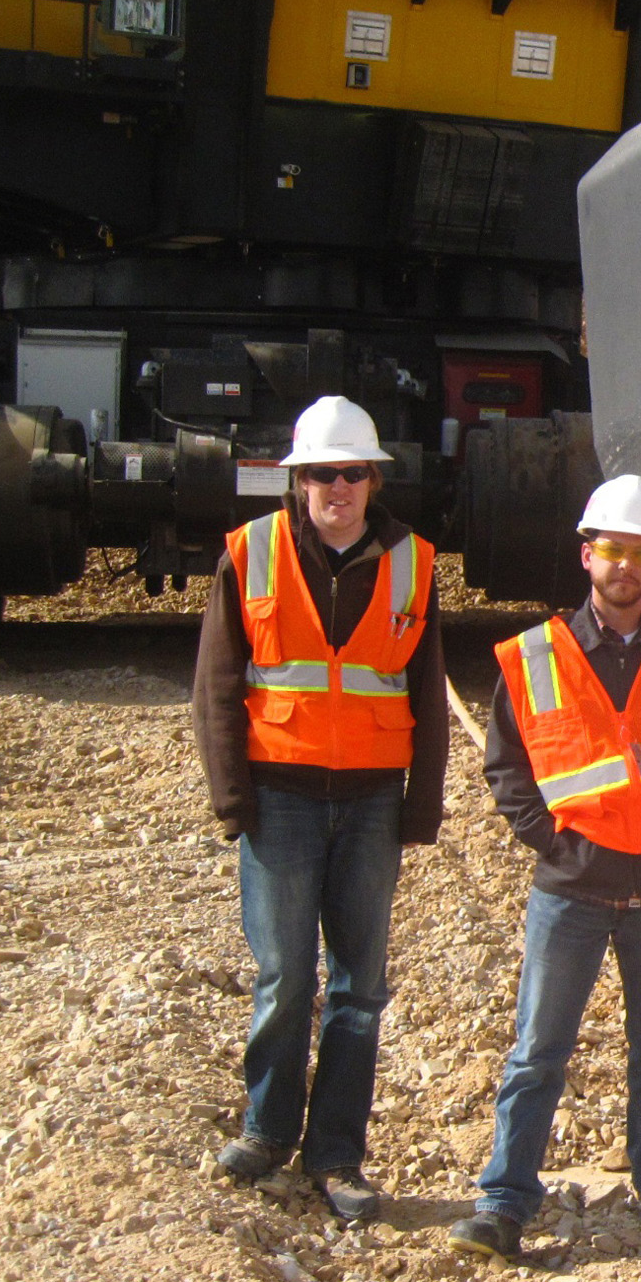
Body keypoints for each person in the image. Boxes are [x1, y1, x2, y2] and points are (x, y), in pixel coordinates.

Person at [448, 475, 641, 1260]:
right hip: (572, 888)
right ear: (588, 555)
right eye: (614, 549)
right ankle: (504, 1201)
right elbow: (505, 763)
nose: (626, 565)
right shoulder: (538, 654)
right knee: (540, 1049)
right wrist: (549, 840)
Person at [194, 395, 445, 1223]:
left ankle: (337, 1153)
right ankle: (267, 1129)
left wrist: (421, 806)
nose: (338, 486)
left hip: (372, 800)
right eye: (321, 474)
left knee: (358, 988)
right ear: (297, 482)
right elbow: (218, 687)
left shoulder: (414, 562)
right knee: (283, 977)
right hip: (281, 800)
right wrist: (233, 799)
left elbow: (427, 695)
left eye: (352, 472)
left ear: (372, 480)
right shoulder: (249, 554)